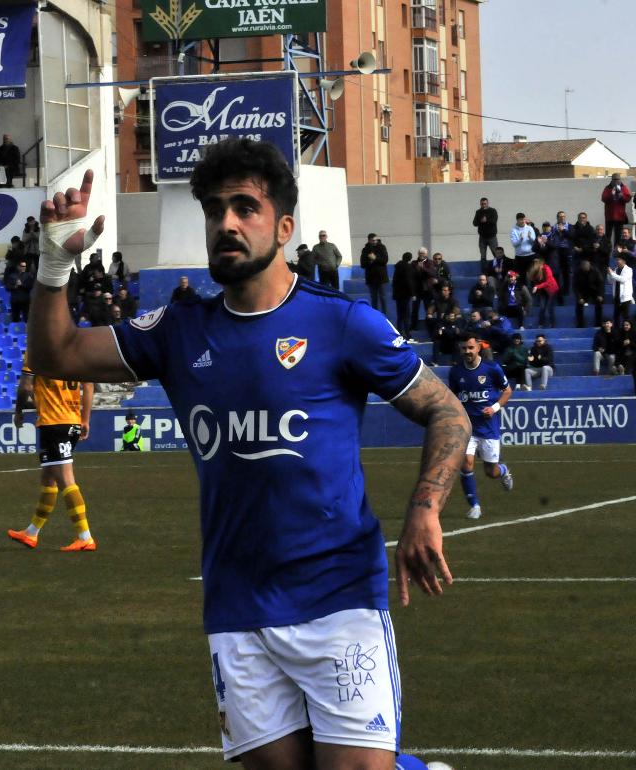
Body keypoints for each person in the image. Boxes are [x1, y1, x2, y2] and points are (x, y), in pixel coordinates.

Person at [25, 145, 468, 769]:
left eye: (246, 208)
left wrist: (425, 509)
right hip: (236, 604)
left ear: (284, 228)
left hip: (338, 596)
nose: (227, 223)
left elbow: (448, 412)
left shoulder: (343, 323)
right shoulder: (177, 330)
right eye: (215, 210)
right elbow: (56, 355)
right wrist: (52, 266)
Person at [7, 357, 95, 551]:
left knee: (65, 479)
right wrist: (85, 419)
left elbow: (25, 388)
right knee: (49, 478)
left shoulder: (36, 352)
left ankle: (85, 537)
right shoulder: (74, 352)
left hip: (54, 423)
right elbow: (88, 385)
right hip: (71, 421)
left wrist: (19, 410)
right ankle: (31, 533)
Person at [448, 334, 514, 520]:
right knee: (466, 463)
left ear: (478, 348)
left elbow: (507, 391)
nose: (467, 352)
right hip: (467, 427)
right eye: (464, 348)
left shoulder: (492, 368)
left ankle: (503, 471)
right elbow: (453, 397)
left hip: (488, 427)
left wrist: (494, 408)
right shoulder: (456, 372)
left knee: (490, 472)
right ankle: (474, 505)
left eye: (470, 348)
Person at [359, 233, 389, 314]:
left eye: (376, 240)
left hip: (381, 277)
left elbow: (385, 260)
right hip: (371, 278)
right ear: (369, 240)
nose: (375, 242)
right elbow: (362, 264)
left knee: (383, 297)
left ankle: (384, 315)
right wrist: (370, 261)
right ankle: (375, 314)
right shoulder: (365, 250)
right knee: (374, 298)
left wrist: (375, 258)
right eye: (373, 240)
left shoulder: (382, 247)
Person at [601, 173, 631, 250]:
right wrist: (611, 194)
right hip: (609, 216)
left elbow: (628, 199)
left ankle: (616, 252)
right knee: (608, 235)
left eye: (618, 179)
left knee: (618, 236)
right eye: (615, 180)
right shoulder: (607, 188)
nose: (617, 181)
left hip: (620, 216)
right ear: (612, 180)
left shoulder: (623, 187)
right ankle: (607, 251)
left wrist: (622, 196)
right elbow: (603, 199)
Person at [472, 196, 500, 270]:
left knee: (495, 253)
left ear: (487, 203)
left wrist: (486, 220)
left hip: (492, 237)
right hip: (482, 237)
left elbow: (494, 221)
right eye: (482, 204)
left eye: (485, 203)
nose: (483, 205)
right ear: (480, 204)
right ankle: (484, 271)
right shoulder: (478, 212)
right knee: (483, 255)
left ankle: (498, 269)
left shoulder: (493, 211)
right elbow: (474, 223)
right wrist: (481, 221)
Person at [607, 254, 633, 323]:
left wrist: (612, 274)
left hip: (625, 298)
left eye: (619, 260)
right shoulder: (616, 269)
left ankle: (627, 332)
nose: (617, 261)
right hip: (617, 297)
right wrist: (609, 274)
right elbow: (611, 281)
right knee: (616, 317)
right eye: (617, 260)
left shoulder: (629, 270)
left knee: (626, 317)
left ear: (624, 261)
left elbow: (623, 279)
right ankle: (616, 331)